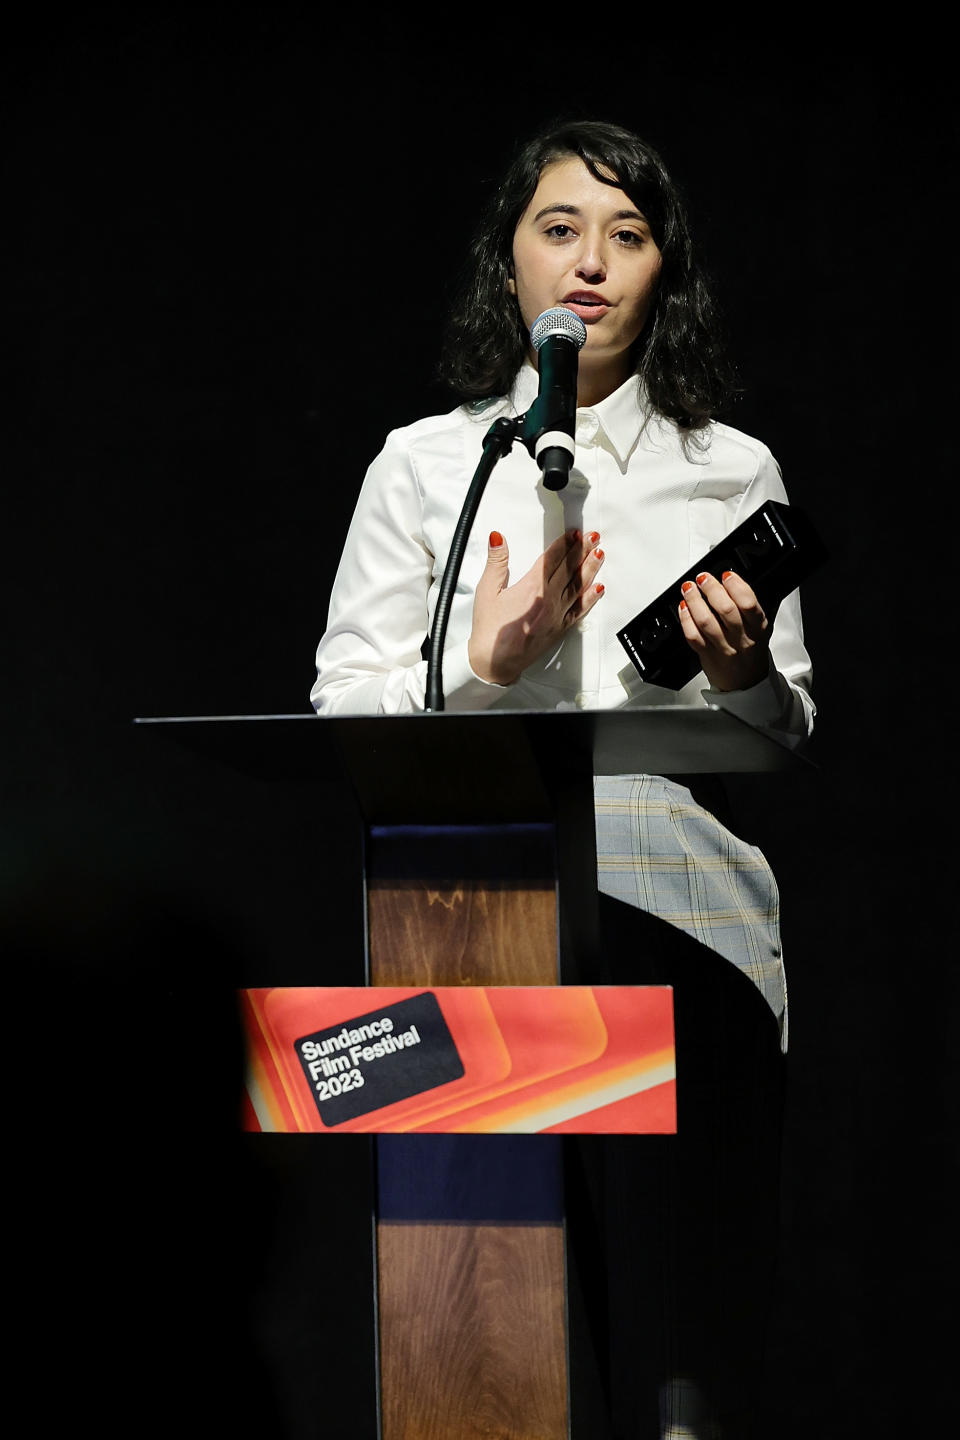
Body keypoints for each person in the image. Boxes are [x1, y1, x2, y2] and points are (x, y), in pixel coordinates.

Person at [311, 119, 814, 1437]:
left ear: (665, 273)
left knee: (676, 1343)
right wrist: (481, 668)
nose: (591, 262)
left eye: (628, 234)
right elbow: (340, 711)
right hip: (459, 902)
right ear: (511, 262)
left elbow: (785, 734)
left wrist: (749, 669)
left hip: (680, 918)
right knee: (466, 1335)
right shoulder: (426, 462)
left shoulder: (732, 470)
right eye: (560, 227)